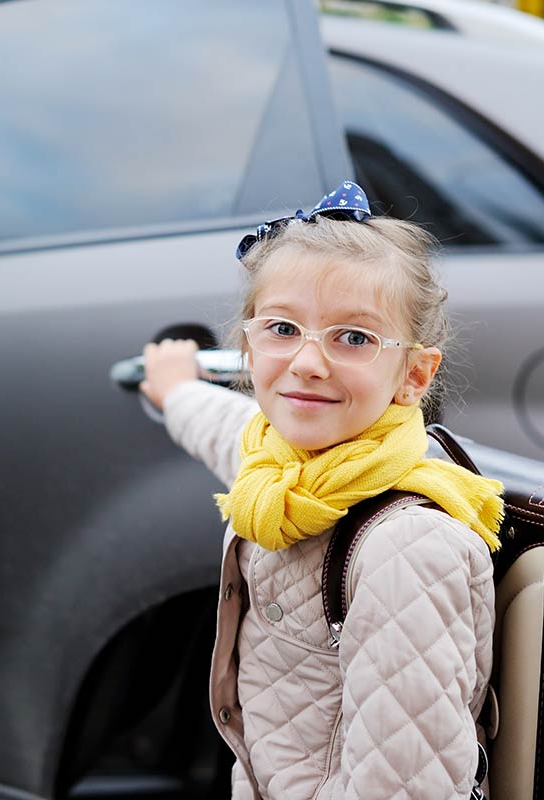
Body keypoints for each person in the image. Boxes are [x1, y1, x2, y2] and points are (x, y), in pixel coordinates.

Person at [139, 181, 503, 799]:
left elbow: (404, 790)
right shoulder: (283, 469)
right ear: (248, 347)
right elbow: (228, 431)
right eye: (282, 328)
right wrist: (174, 391)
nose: (308, 363)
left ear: (414, 375)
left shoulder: (407, 549)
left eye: (353, 338)